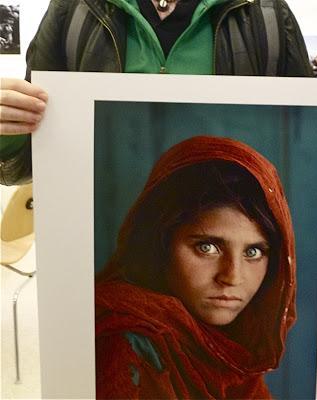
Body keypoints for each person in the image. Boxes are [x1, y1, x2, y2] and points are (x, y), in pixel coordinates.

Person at [0, 0, 317, 182]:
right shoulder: (76, 11)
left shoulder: (265, 14)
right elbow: (31, 157)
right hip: (98, 241)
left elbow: (309, 146)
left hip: (223, 226)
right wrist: (6, 128)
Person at [95, 135, 295, 399]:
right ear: (161, 244)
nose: (232, 277)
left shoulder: (233, 357)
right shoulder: (125, 347)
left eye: (253, 252)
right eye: (207, 248)